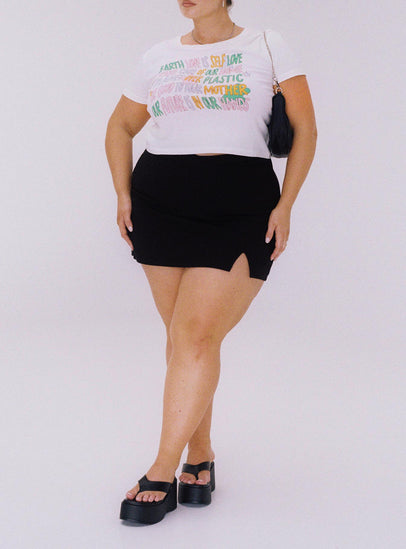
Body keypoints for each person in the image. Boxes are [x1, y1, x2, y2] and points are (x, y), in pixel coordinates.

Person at [105, 0, 317, 525]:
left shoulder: (266, 44)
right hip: (160, 202)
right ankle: (199, 455)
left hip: (239, 205)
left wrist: (286, 205)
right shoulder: (158, 55)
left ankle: (161, 471)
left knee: (196, 336)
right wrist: (123, 193)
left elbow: (305, 131)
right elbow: (120, 126)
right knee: (184, 340)